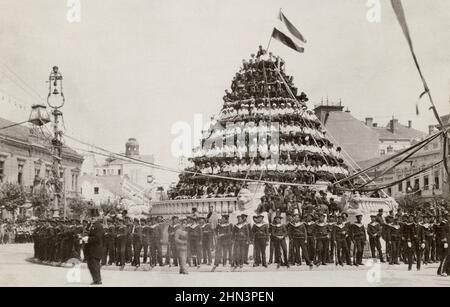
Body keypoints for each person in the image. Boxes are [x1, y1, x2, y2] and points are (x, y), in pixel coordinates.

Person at [83, 217, 105, 285]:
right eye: (91, 217)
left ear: (97, 218)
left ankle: (98, 280)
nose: (91, 219)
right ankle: (95, 279)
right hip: (90, 248)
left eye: (93, 217)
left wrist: (88, 239)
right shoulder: (91, 225)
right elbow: (87, 233)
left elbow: (98, 238)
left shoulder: (99, 226)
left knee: (95, 264)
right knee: (90, 264)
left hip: (96, 248)